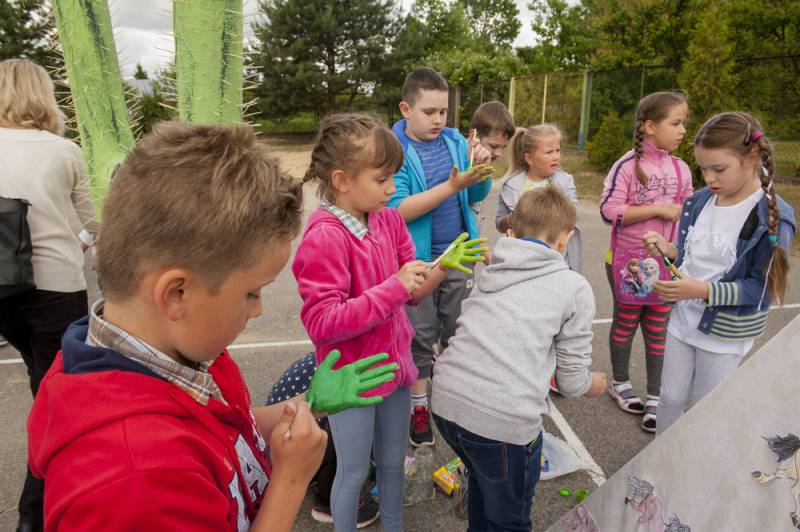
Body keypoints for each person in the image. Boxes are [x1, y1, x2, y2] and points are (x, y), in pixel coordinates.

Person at [27, 121, 337, 531]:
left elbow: (226, 438)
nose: (259, 309)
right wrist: (291, 480)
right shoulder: (136, 483)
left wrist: (303, 406)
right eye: (251, 292)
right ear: (176, 293)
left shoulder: (184, 350)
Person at [294, 113, 486, 531]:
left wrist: (440, 266)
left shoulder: (389, 219)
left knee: (394, 463)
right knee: (353, 473)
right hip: (353, 379)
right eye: (381, 179)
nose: (393, 188)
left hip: (397, 370)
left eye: (393, 177)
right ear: (342, 180)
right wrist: (393, 288)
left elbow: (411, 291)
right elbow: (322, 323)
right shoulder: (325, 236)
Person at [431, 187, 607, 532]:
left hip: (447, 403)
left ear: (511, 231)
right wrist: (593, 384)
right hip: (503, 422)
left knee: (483, 483)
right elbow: (571, 382)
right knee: (510, 519)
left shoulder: (492, 271)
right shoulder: (573, 287)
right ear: (565, 238)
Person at [643, 112, 795, 436]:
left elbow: (761, 290)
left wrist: (702, 291)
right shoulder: (699, 202)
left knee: (705, 409)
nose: (709, 178)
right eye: (703, 169)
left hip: (723, 337)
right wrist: (669, 251)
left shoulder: (772, 218)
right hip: (683, 322)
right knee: (668, 399)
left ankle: (697, 463)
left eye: (719, 169)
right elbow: (695, 255)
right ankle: (661, 460)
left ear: (752, 158)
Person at [0, 58, 97, 532]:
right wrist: (80, 241)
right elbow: (94, 220)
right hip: (55, 287)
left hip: (4, 286)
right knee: (57, 397)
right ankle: (34, 515)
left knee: (41, 382)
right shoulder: (64, 151)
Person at [388, 67, 493, 447]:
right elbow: (398, 210)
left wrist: (479, 171)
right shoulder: (395, 151)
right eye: (429, 112)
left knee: (457, 331)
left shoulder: (455, 142)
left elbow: (475, 195)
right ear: (406, 109)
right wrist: (452, 185)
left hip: (458, 255)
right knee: (419, 336)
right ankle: (419, 406)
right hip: (418, 264)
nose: (438, 120)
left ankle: (451, 396)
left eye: (443, 111)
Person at [599, 91, 693, 433]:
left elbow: (688, 217)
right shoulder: (627, 166)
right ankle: (620, 383)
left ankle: (656, 396)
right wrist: (656, 209)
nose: (683, 130)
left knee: (657, 330)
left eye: (684, 123)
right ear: (650, 126)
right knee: (625, 323)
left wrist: (677, 250)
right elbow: (608, 211)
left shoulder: (682, 169)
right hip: (627, 265)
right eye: (676, 123)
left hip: (665, 266)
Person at [265, 353, 379, 529]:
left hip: (268, 441)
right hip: (291, 445)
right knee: (351, 430)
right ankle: (327, 502)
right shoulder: (355, 364)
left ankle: (319, 479)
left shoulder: (328, 355)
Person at [496, 124, 583, 272]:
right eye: (549, 152)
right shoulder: (511, 186)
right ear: (529, 158)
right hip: (521, 262)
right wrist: (515, 218)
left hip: (559, 262)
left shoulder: (565, 181)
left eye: (557, 150)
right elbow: (499, 224)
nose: (556, 157)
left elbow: (574, 215)